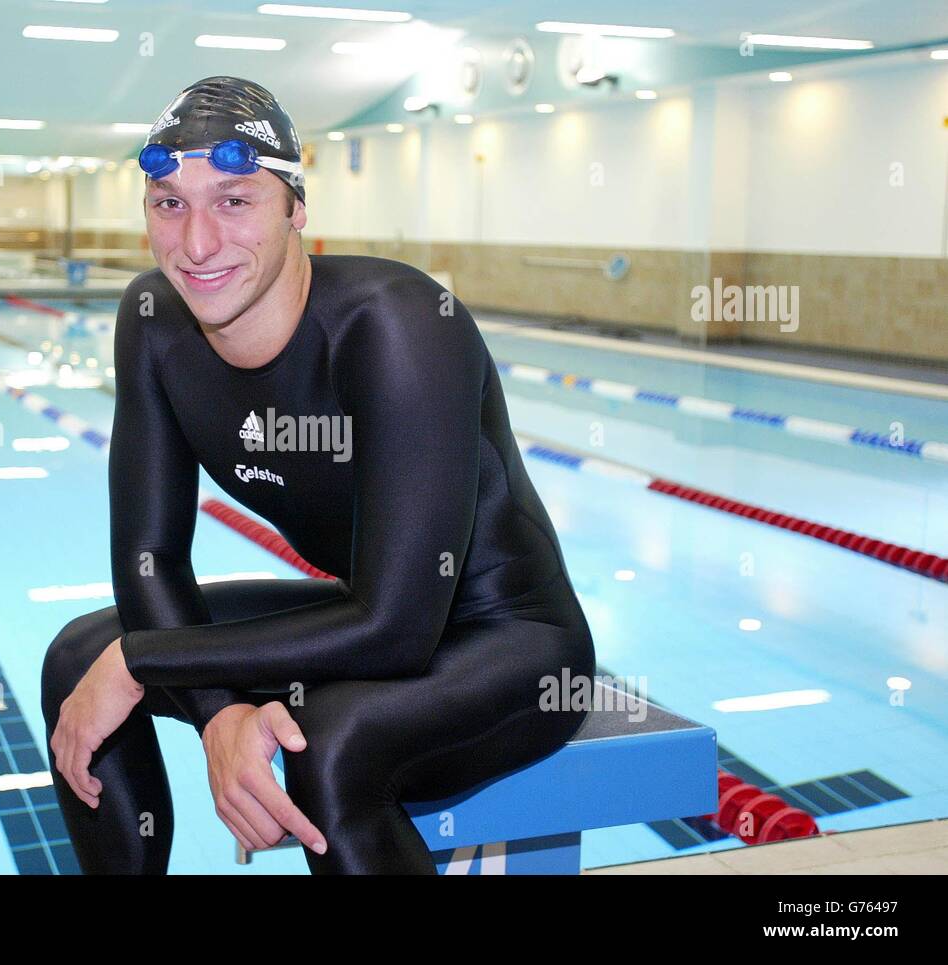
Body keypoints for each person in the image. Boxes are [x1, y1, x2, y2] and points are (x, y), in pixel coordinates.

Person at [40, 75, 597, 875]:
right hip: (364, 618)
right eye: (169, 204)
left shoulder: (398, 327)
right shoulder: (155, 321)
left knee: (329, 741)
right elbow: (152, 559)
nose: (196, 244)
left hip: (511, 640)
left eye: (234, 201)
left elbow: (400, 626)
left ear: (296, 208)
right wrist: (218, 714)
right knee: (75, 657)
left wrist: (143, 663)